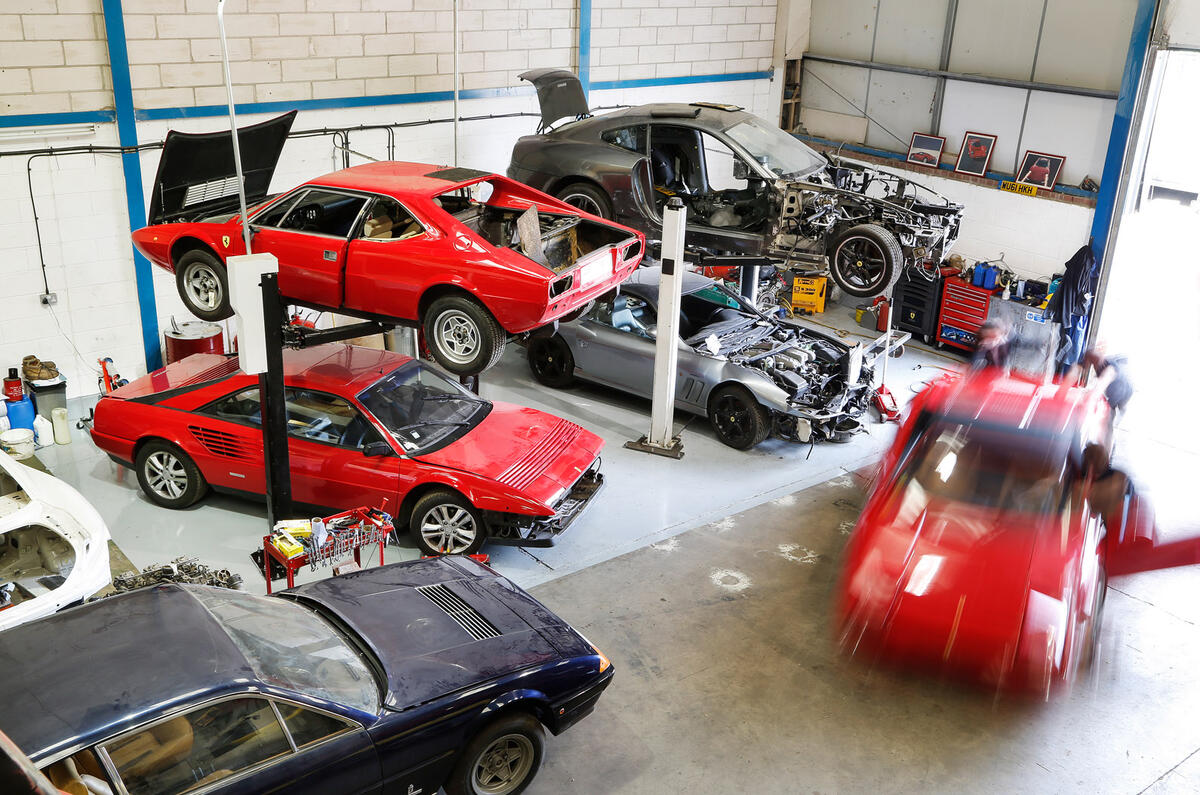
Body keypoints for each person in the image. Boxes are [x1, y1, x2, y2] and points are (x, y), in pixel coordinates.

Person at [1067, 343, 1134, 425]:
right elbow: (1078, 368)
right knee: (1105, 409)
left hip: (1123, 391)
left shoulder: (1110, 368)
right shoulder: (1094, 361)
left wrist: (1088, 402)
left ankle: (1114, 420)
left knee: (1108, 416)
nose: (1087, 363)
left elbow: (1099, 388)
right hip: (1119, 388)